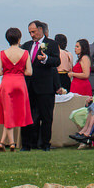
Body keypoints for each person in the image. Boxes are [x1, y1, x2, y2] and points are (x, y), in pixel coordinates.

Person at [0, 26, 33, 151]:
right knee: (14, 114)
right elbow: (29, 72)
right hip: (20, 83)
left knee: (7, 113)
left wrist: (8, 69)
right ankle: (7, 142)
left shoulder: (2, 53)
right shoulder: (25, 53)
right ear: (19, 38)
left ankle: (9, 142)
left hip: (7, 82)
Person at [21, 20, 56, 150]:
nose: (32, 35)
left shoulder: (51, 44)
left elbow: (56, 61)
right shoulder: (26, 45)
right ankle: (27, 144)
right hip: (29, 86)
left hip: (45, 87)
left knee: (46, 117)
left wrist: (46, 59)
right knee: (28, 117)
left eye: (34, 32)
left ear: (41, 30)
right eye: (30, 32)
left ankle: (45, 144)